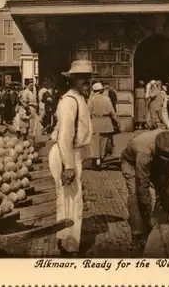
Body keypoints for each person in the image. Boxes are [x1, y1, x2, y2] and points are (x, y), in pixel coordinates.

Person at [49, 60, 93, 256]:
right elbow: (65, 135)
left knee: (71, 200)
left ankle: (66, 240)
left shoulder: (79, 99)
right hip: (65, 153)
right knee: (71, 201)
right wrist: (69, 166)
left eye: (89, 79)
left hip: (72, 153)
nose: (87, 83)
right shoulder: (69, 101)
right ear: (73, 80)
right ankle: (69, 245)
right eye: (83, 79)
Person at [120, 129, 169, 251]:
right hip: (131, 163)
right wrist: (146, 211)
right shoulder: (144, 154)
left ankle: (159, 226)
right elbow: (142, 187)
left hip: (154, 162)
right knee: (136, 196)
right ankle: (138, 235)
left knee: (168, 191)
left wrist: (165, 190)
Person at [87, 82, 119, 169]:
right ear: (101, 90)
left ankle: (96, 162)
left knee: (95, 144)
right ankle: (100, 162)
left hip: (95, 123)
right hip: (106, 123)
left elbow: (88, 113)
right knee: (103, 145)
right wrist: (116, 121)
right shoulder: (106, 99)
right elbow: (112, 112)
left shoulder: (91, 100)